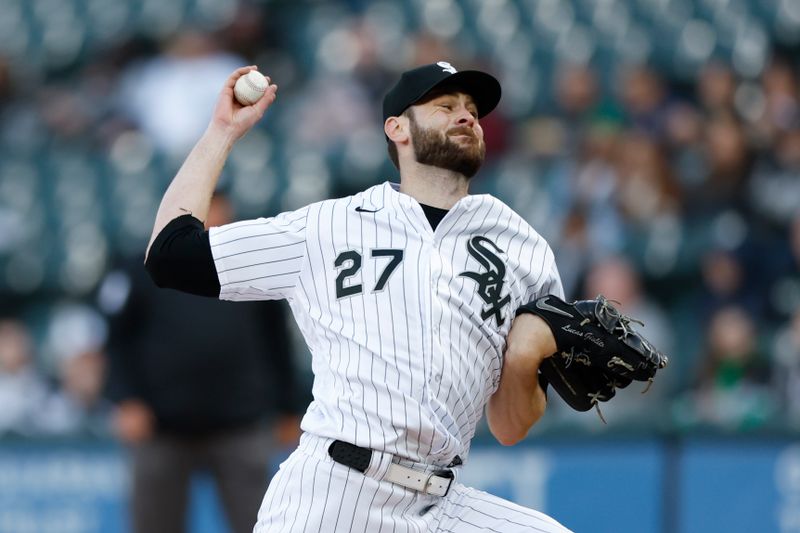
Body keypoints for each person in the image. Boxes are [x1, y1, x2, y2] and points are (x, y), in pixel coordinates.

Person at [145, 62, 572, 532]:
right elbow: (169, 254)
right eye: (445, 106)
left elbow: (510, 427)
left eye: (472, 110)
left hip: (440, 502)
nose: (466, 116)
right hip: (335, 492)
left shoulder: (523, 248)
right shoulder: (327, 227)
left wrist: (524, 357)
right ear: (397, 129)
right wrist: (221, 133)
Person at [104, 192, 304, 533]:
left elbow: (277, 342)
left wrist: (288, 407)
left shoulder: (252, 264)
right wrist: (125, 400)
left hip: (240, 423)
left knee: (262, 524)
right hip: (160, 425)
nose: (212, 211)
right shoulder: (143, 264)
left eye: (218, 202)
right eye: (202, 202)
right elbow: (117, 341)